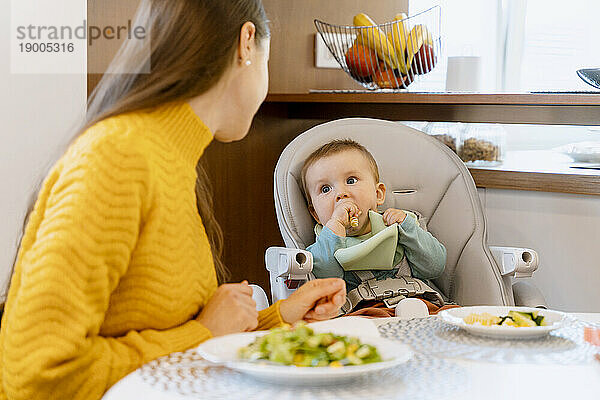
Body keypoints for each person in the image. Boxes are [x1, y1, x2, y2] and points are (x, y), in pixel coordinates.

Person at [0, 1, 346, 399]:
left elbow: (183, 335)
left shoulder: (172, 158)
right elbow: (37, 375)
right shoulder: (119, 158)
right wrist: (203, 332)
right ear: (246, 43)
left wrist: (279, 317)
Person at [301, 139, 450, 316]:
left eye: (351, 180)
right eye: (325, 189)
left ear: (378, 194)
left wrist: (408, 229)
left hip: (422, 304)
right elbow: (326, 280)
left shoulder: (399, 225)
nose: (341, 194)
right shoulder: (324, 244)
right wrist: (335, 226)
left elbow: (435, 266)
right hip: (366, 313)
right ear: (316, 214)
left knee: (453, 313)